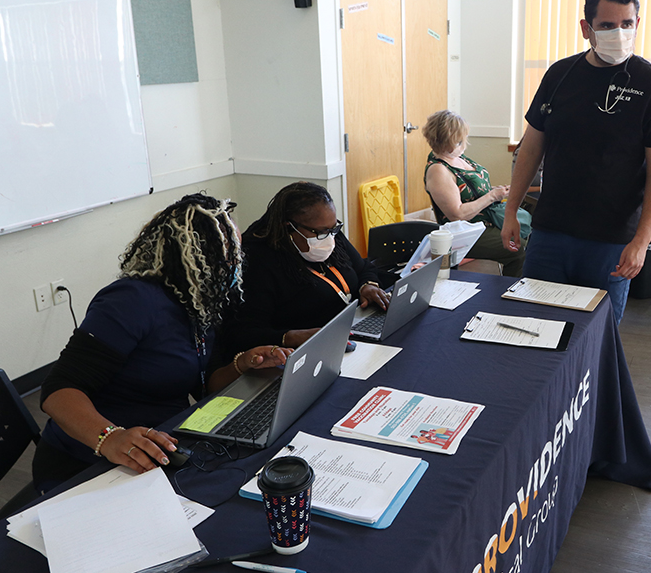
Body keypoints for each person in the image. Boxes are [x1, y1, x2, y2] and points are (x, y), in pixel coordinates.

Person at [33, 194, 290, 493]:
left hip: (160, 447)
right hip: (90, 461)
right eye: (229, 255)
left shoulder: (199, 304)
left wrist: (242, 365)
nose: (237, 264)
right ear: (197, 257)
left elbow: (204, 387)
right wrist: (110, 437)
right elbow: (57, 390)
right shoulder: (130, 301)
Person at [501, 0, 651, 324]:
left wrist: (642, 241)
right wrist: (512, 210)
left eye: (626, 24)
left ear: (637, 23)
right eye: (607, 26)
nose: (619, 33)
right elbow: (531, 148)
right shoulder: (559, 76)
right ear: (587, 28)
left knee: (597, 337)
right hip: (551, 233)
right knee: (533, 325)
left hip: (611, 242)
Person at [233, 181, 389, 350]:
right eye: (321, 232)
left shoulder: (329, 233)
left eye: (333, 229)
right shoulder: (257, 261)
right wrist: (291, 337)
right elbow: (246, 333)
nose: (330, 238)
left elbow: (364, 268)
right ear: (288, 228)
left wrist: (368, 285)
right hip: (302, 351)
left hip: (349, 333)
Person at [422, 109, 528, 277]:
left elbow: (470, 191)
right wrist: (492, 196)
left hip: (486, 221)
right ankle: (510, 292)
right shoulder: (438, 171)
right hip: (467, 230)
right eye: (460, 140)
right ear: (450, 141)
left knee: (529, 233)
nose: (465, 143)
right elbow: (457, 214)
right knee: (518, 247)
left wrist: (494, 191)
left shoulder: (457, 156)